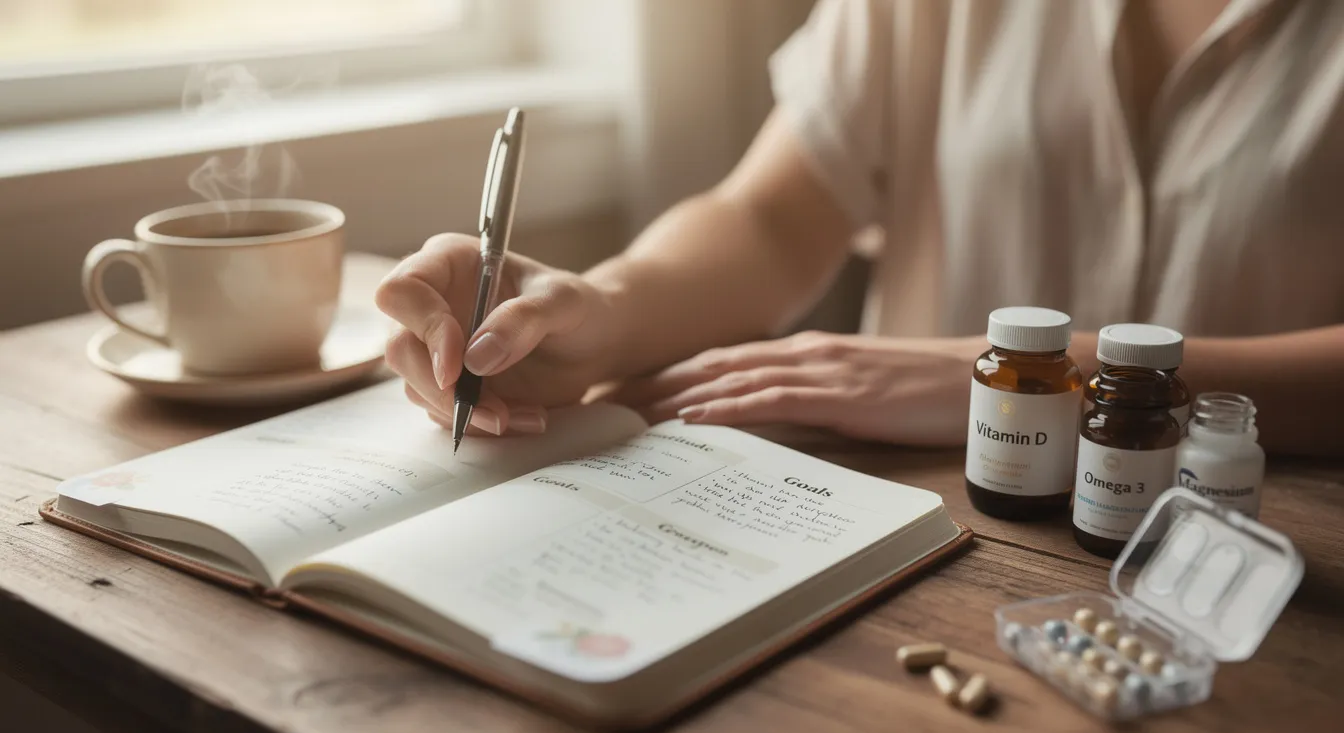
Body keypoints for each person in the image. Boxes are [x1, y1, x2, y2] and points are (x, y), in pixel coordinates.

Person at [374, 0, 1344, 459]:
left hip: (1259, 554)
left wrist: (1029, 377)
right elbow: (771, 215)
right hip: (919, 529)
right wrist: (596, 310)